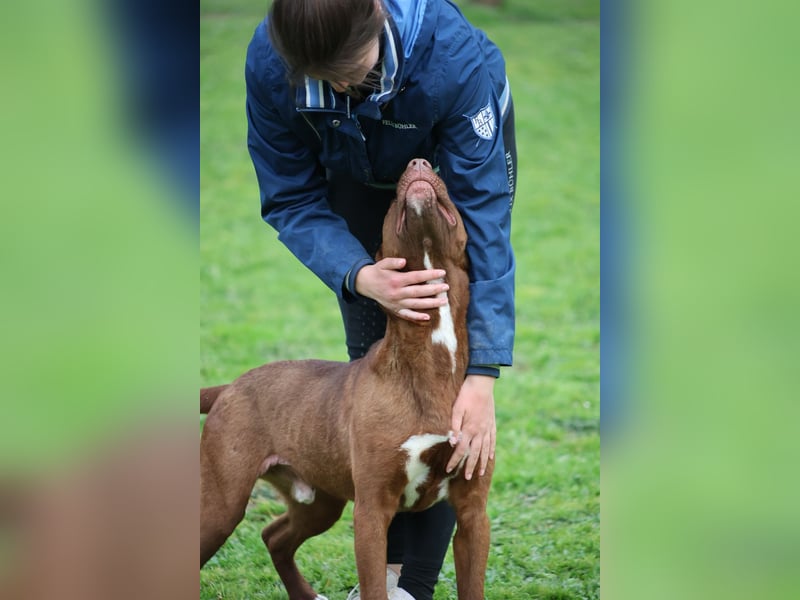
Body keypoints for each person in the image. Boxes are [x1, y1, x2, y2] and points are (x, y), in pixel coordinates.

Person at [245, 1, 516, 598]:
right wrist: (358, 274)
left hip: (446, 168)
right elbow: (290, 196)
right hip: (353, 177)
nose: (341, 85)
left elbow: (488, 227)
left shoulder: (453, 60)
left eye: (352, 70)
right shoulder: (270, 62)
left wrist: (483, 373)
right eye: (322, 79)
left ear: (376, 19)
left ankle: (408, 583)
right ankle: (389, 577)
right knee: (381, 389)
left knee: (451, 396)